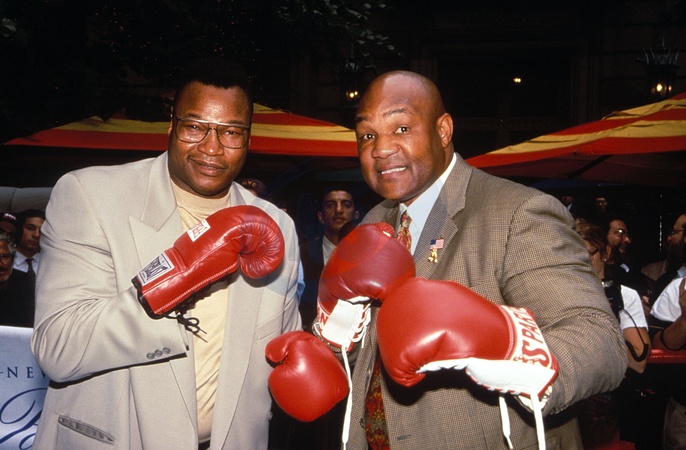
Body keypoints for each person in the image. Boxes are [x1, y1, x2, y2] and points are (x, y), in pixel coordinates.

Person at [267, 70, 627, 449]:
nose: (381, 149)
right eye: (367, 135)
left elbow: (600, 342)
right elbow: (377, 355)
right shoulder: (374, 220)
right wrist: (333, 340)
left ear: (442, 130)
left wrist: (508, 343)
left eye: (401, 128)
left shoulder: (517, 212)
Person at [30, 58, 301, 450]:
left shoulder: (277, 226)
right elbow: (58, 348)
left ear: (248, 139)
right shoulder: (91, 196)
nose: (212, 147)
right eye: (195, 126)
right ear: (172, 127)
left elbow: (281, 350)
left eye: (231, 132)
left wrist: (326, 348)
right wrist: (177, 275)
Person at [574, 222, 650, 448]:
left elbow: (639, 362)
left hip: (611, 404)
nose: (581, 262)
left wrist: (603, 314)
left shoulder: (624, 296)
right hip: (570, 403)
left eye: (588, 254)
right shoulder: (558, 297)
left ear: (605, 253)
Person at [299, 185, 360, 326]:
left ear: (356, 215)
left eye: (346, 205)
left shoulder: (370, 254)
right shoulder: (303, 253)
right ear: (320, 217)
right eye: (330, 205)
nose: (338, 210)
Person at [0, 231, 35, 327]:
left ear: (12, 259)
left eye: (4, 257)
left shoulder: (23, 281)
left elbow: (29, 320)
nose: (0, 264)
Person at [12, 208, 45, 281]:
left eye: (42, 231)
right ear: (19, 230)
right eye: (30, 228)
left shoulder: (49, 262)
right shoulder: (5, 262)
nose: (36, 235)